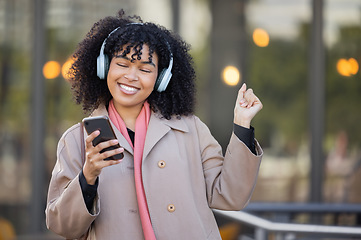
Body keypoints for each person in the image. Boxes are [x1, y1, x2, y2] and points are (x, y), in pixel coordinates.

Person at [45, 9, 263, 240]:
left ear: (161, 79)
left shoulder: (190, 129)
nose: (131, 76)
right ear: (104, 66)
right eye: (122, 64)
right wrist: (88, 176)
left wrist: (242, 124)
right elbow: (62, 226)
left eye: (145, 69)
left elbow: (230, 196)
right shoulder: (77, 140)